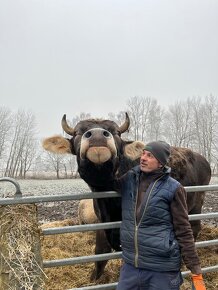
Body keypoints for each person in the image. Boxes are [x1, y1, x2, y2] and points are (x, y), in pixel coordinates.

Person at [114, 141, 206, 290]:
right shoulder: (129, 180)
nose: (143, 158)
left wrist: (195, 270)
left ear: (161, 163)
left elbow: (183, 229)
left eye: (149, 156)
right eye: (143, 153)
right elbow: (103, 181)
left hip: (161, 269)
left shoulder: (173, 188)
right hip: (131, 266)